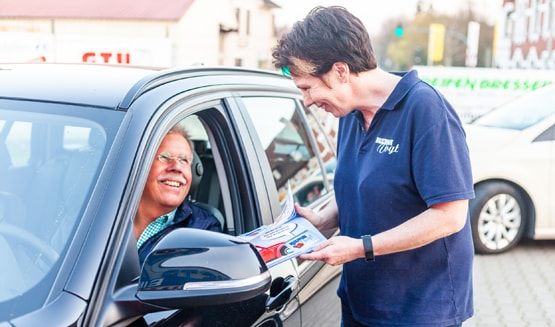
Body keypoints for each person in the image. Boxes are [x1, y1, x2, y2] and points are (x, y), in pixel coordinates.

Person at [272, 6, 475, 327]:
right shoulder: (349, 116)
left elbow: (450, 216)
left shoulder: (426, 110)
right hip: (361, 299)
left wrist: (361, 248)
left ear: (340, 71)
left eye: (308, 88)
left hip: (418, 310)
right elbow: (361, 185)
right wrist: (324, 219)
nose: (307, 101)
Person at [134, 125, 222, 264]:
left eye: (184, 160)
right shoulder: (102, 211)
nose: (176, 167)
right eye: (164, 157)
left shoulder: (204, 230)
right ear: (141, 164)